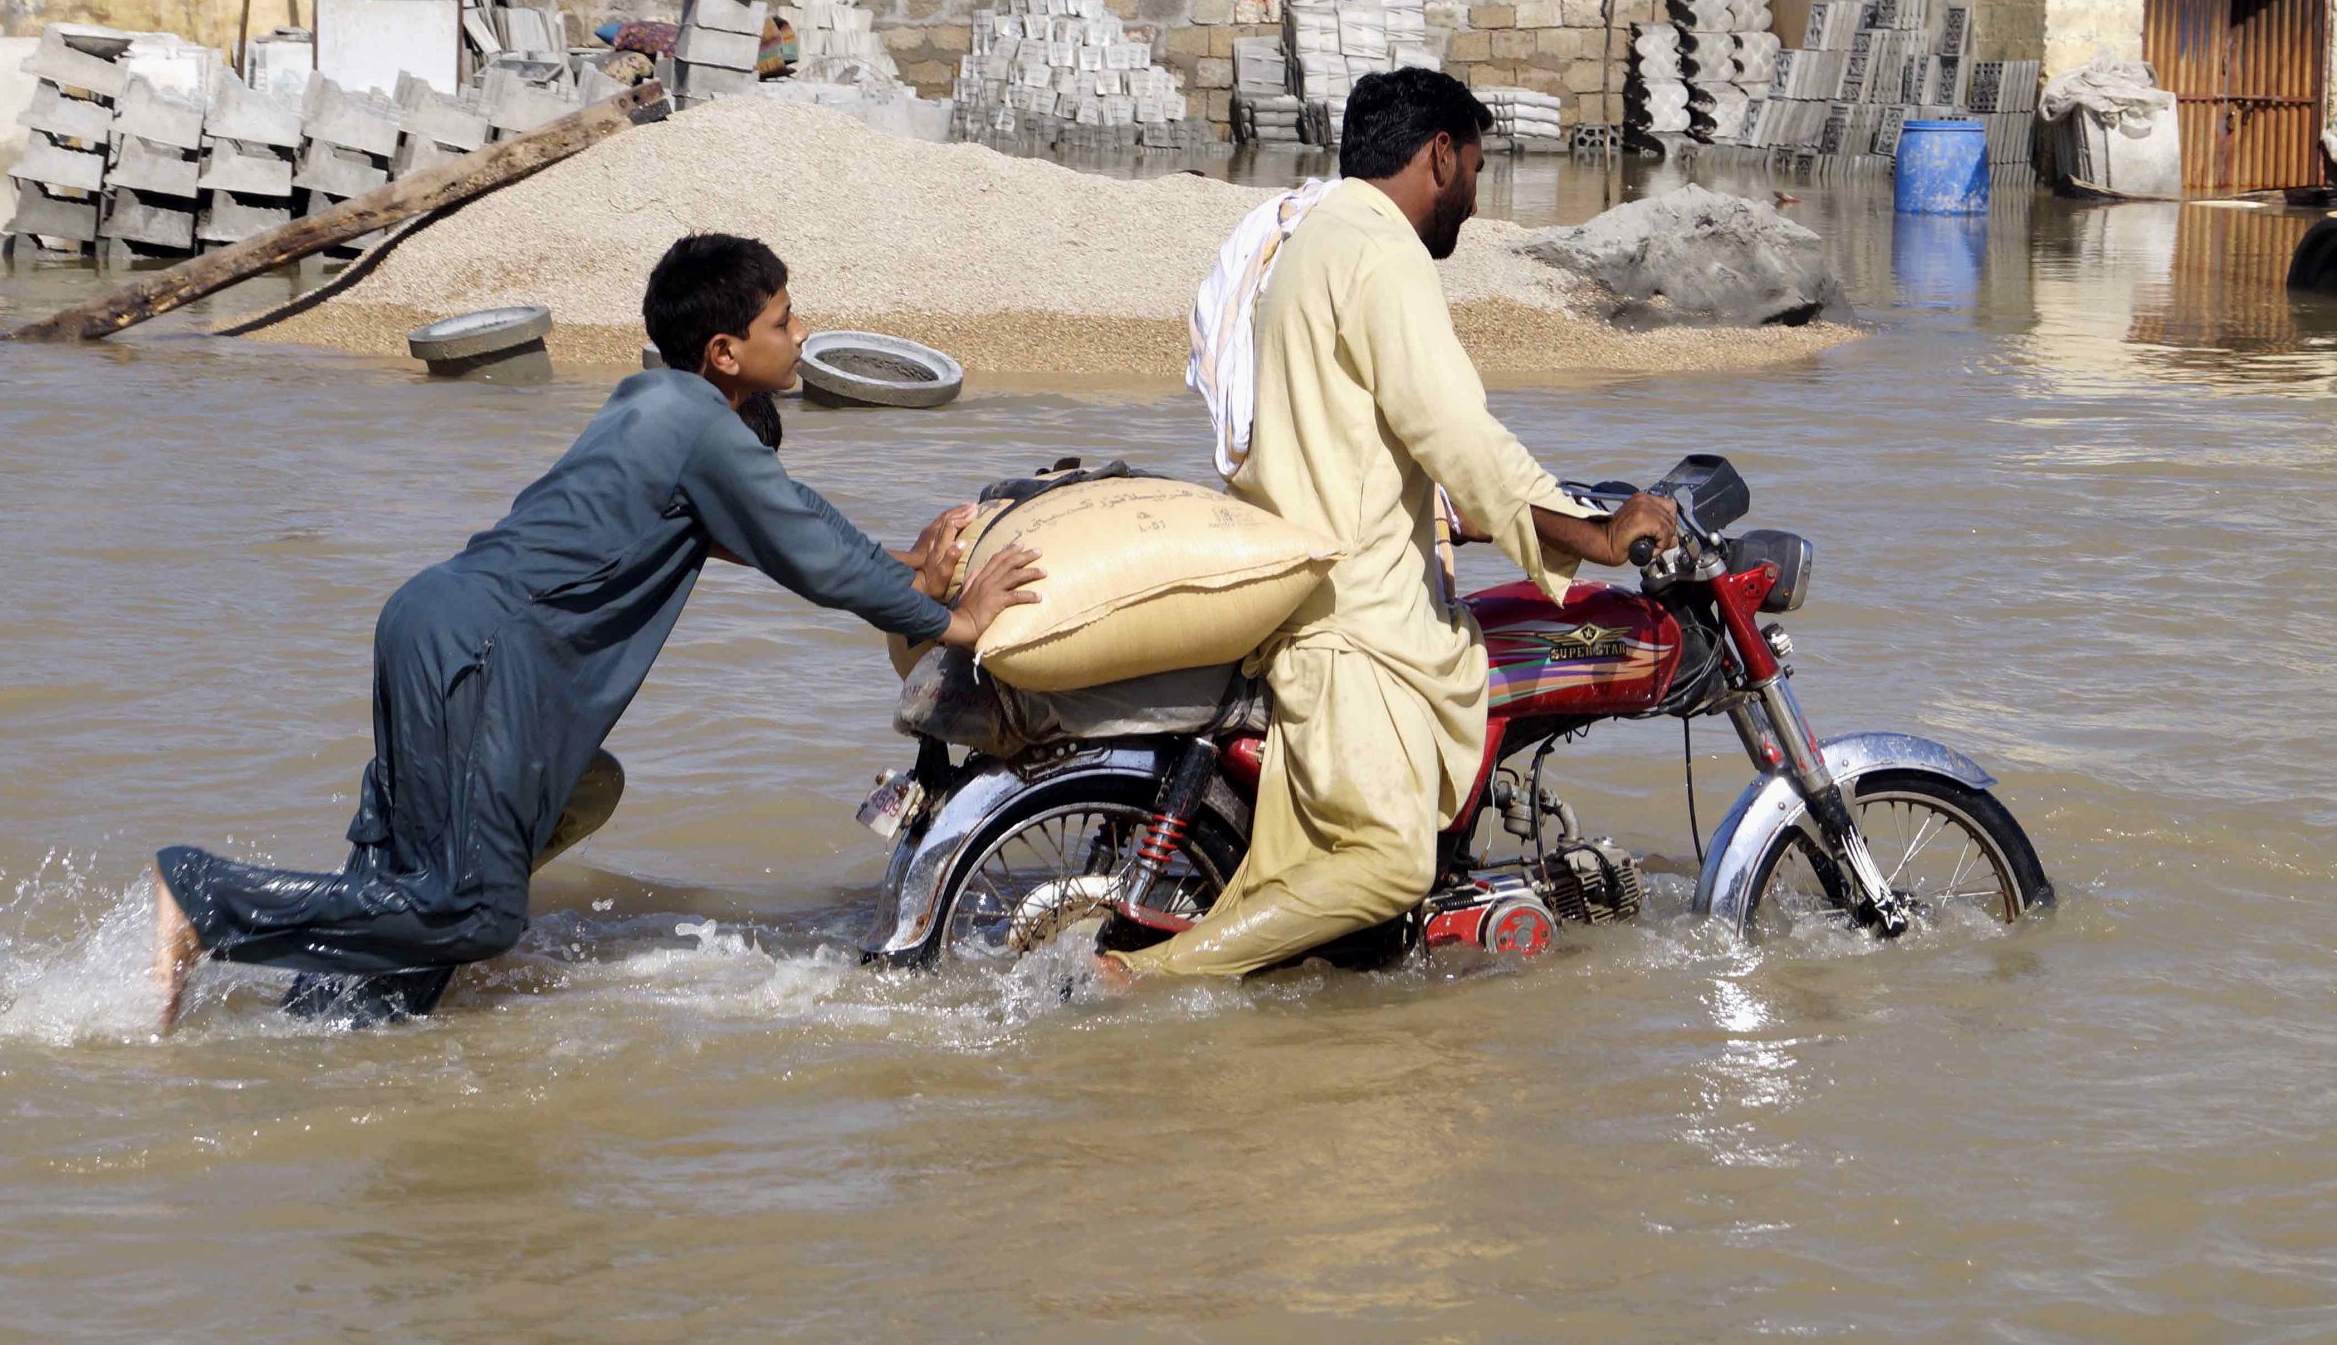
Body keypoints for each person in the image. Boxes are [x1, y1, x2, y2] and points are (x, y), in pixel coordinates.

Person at [150, 233, 1041, 1030]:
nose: (801, 332)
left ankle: (318, 1030)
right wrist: (953, 618)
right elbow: (807, 544)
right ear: (726, 352)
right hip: (485, 651)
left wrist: (910, 566)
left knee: (422, 886)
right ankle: (206, 900)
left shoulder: (645, 407)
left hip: (433, 622)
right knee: (477, 912)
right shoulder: (700, 422)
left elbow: (766, 539)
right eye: (783, 318)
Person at [1114, 68, 1675, 981]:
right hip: (1356, 625)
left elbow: (1372, 439)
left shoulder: (1315, 237)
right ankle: (1143, 980)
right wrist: (1598, 534)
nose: (1477, 199)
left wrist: (1484, 515)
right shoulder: (1382, 254)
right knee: (1391, 863)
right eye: (1479, 171)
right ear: (1439, 156)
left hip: (1331, 596)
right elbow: (1456, 432)